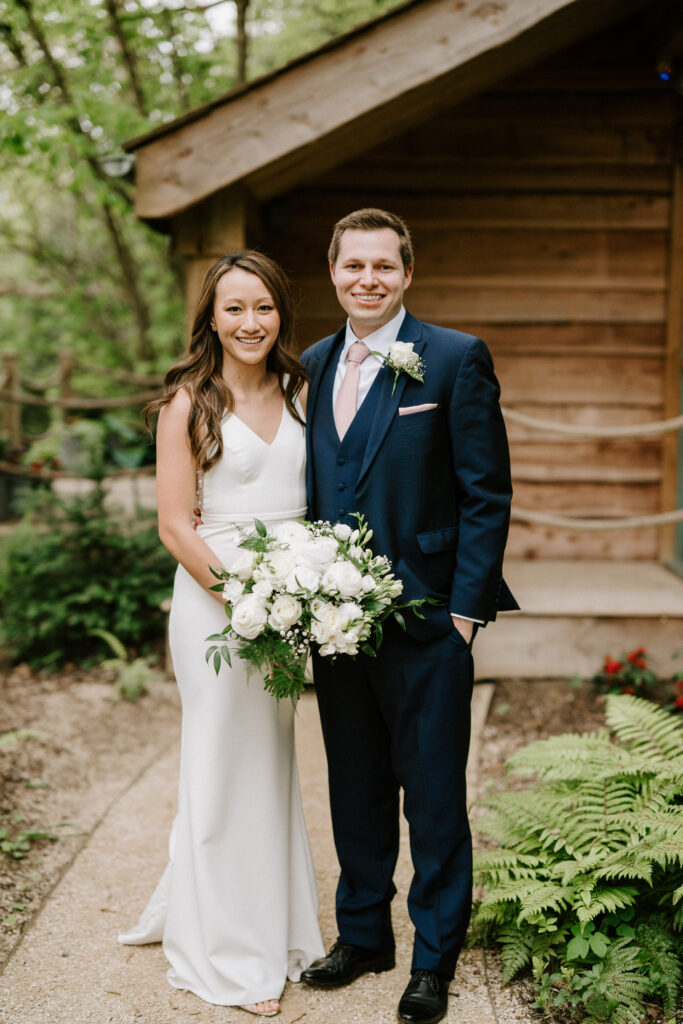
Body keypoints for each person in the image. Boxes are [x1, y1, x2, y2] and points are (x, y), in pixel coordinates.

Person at [298, 209, 518, 1024]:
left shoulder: (455, 359)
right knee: (353, 788)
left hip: (429, 624)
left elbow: (485, 494)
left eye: (383, 267)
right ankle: (362, 937)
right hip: (333, 625)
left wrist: (464, 615)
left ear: (406, 274)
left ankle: (432, 958)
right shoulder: (311, 365)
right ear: (333, 272)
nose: (367, 279)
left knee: (431, 797)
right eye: (353, 265)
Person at [118, 251, 324, 1017]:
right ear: (211, 316)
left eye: (263, 307)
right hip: (216, 605)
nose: (250, 323)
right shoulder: (188, 403)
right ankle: (229, 956)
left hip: (291, 598)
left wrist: (303, 591)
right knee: (217, 762)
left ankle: (275, 926)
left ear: (281, 314)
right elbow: (174, 526)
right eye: (234, 308)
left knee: (268, 764)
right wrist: (245, 601)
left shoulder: (304, 392)